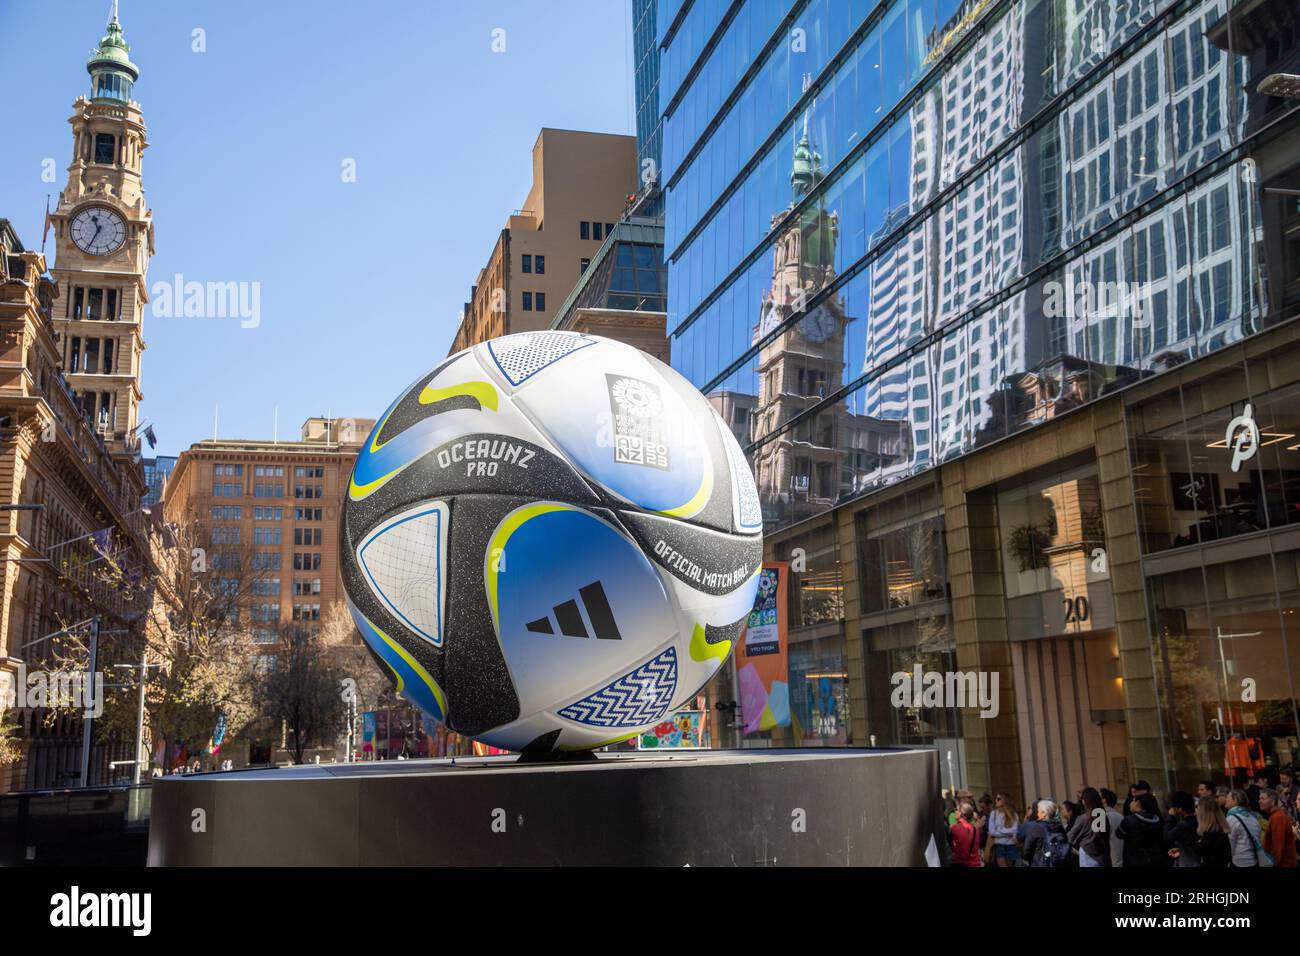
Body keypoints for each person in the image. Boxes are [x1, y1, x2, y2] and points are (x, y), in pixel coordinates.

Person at [1117, 793, 1167, 867]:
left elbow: (1119, 834)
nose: (1130, 803)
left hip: (1134, 861)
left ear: (1138, 803)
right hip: (1155, 860)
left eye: (1133, 800)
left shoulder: (1129, 820)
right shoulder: (1157, 819)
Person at [1182, 797, 1231, 868]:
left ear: (1204, 813)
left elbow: (1201, 850)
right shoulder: (1221, 831)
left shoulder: (1210, 836)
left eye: (1197, 808)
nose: (1195, 812)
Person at [1068, 787, 1110, 867]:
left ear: (1085, 800)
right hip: (1102, 855)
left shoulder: (1084, 818)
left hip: (1088, 854)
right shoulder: (1102, 815)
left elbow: (1070, 837)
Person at [1022, 800, 1071, 868]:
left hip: (1039, 863)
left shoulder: (1036, 828)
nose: (1037, 813)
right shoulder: (1059, 827)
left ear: (1044, 814)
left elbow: (1027, 851)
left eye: (1039, 811)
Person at [1225, 788, 1266, 867]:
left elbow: (1230, 844)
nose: (1226, 799)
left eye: (1227, 797)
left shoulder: (1232, 818)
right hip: (1253, 861)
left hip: (1239, 862)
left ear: (1235, 800)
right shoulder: (1253, 816)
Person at [1259, 788, 1298, 867]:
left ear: (1273, 802)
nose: (1259, 801)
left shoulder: (1278, 817)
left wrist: (1274, 863)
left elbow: (1278, 846)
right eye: (1259, 798)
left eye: (1263, 799)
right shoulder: (1275, 816)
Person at [1164, 791, 1199, 867]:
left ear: (1180, 809)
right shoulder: (1197, 821)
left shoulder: (1183, 825)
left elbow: (1167, 837)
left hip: (1188, 862)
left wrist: (1171, 817)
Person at [986, 792, 1021, 867]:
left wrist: (998, 831)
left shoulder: (1013, 814)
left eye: (998, 799)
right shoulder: (993, 813)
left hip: (1011, 845)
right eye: (995, 799)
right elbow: (991, 832)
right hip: (999, 845)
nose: (996, 800)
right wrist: (1008, 832)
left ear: (1004, 800)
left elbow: (1014, 830)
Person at [949, 801, 982, 867]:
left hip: (961, 863)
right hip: (975, 863)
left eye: (957, 810)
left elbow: (953, 846)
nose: (955, 812)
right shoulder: (976, 830)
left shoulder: (955, 828)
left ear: (962, 814)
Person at [1101, 788, 1125, 867]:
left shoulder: (1103, 817)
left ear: (1104, 800)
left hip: (1108, 861)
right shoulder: (1121, 817)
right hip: (1121, 860)